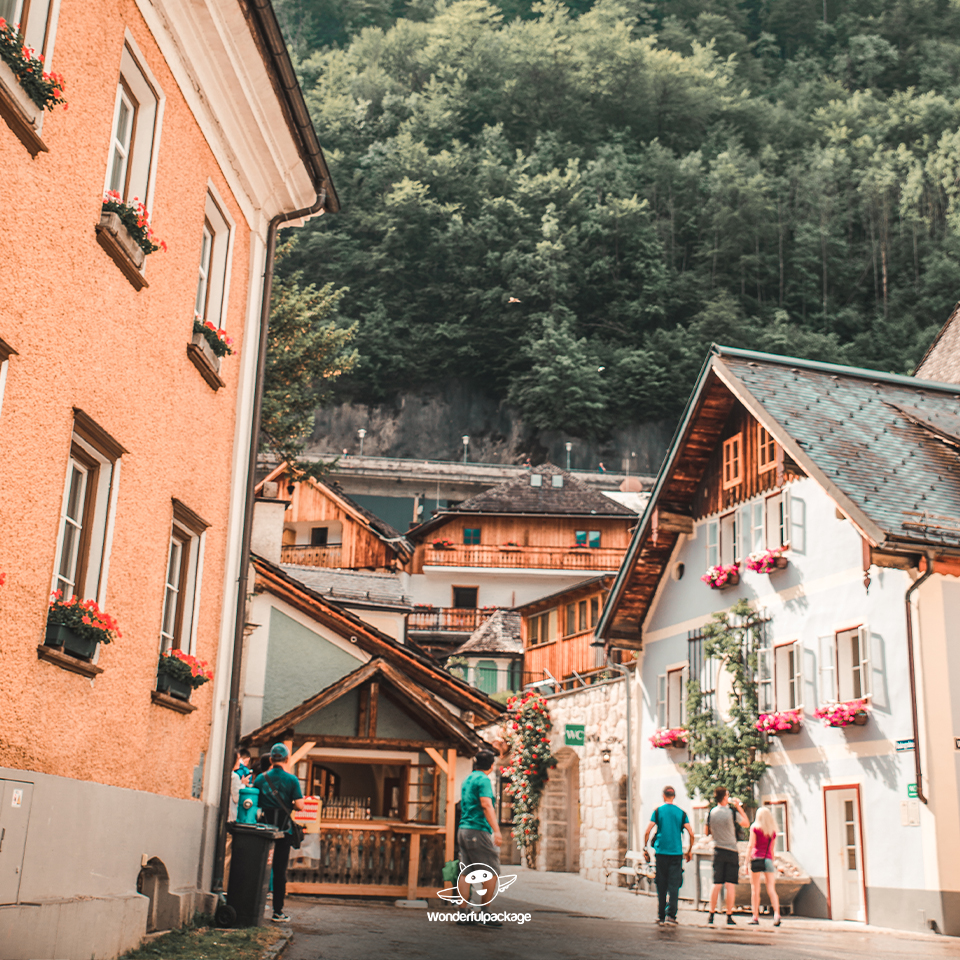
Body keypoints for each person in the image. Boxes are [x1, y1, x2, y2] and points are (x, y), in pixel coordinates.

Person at [253, 743, 306, 923]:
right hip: (283, 831)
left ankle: (255, 908)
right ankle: (277, 911)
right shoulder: (291, 780)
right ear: (287, 759)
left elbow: (255, 803)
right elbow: (299, 805)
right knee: (279, 870)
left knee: (260, 868)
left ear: (270, 759)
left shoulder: (260, 778)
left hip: (264, 831)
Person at [457, 749, 503, 926]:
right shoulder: (483, 779)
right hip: (478, 829)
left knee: (466, 871)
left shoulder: (468, 779)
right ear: (491, 765)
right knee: (491, 871)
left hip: (463, 829)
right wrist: (496, 830)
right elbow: (486, 804)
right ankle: (485, 912)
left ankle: (463, 912)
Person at [643, 786, 694, 926]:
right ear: (674, 796)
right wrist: (689, 850)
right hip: (676, 854)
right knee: (674, 885)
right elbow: (691, 833)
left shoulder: (658, 811)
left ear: (663, 796)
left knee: (661, 884)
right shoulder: (682, 813)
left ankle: (661, 916)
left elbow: (648, 831)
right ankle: (671, 915)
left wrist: (645, 847)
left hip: (661, 854)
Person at [706, 786, 749, 925]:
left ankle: (711, 913)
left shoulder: (711, 812)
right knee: (730, 885)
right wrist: (738, 807)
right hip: (731, 850)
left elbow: (708, 830)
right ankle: (729, 915)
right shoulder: (731, 813)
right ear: (725, 797)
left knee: (716, 883)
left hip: (717, 849)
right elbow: (746, 823)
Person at [747, 806, 781, 927]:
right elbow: (772, 849)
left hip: (756, 858)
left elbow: (751, 845)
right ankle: (777, 914)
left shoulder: (755, 828)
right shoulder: (772, 831)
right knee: (771, 889)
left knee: (755, 889)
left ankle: (755, 916)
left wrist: (746, 861)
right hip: (768, 859)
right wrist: (773, 861)